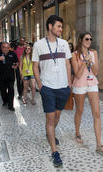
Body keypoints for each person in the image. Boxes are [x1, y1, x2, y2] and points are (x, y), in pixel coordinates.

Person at [32, 15, 71, 167]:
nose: (61, 29)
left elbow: (67, 64)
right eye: (58, 26)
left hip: (62, 87)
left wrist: (69, 84)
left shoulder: (64, 44)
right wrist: (40, 85)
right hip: (47, 87)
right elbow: (35, 66)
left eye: (61, 27)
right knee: (50, 118)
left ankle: (50, 133)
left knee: (57, 116)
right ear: (50, 26)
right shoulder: (39, 45)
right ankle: (55, 152)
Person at [71, 32, 103, 156]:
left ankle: (99, 144)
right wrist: (83, 62)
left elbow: (96, 71)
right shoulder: (74, 55)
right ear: (81, 40)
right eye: (87, 38)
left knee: (97, 113)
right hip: (80, 84)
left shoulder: (94, 53)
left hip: (92, 83)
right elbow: (78, 74)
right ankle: (77, 132)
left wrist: (90, 61)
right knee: (79, 111)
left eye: (91, 39)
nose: (89, 41)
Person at [0, 42, 18, 111]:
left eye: (7, 47)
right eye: (4, 47)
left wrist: (15, 66)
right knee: (2, 90)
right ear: (1, 47)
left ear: (9, 48)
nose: (6, 49)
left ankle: (11, 105)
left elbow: (16, 62)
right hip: (1, 76)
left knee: (11, 90)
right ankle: (5, 101)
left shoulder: (12, 53)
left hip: (10, 76)